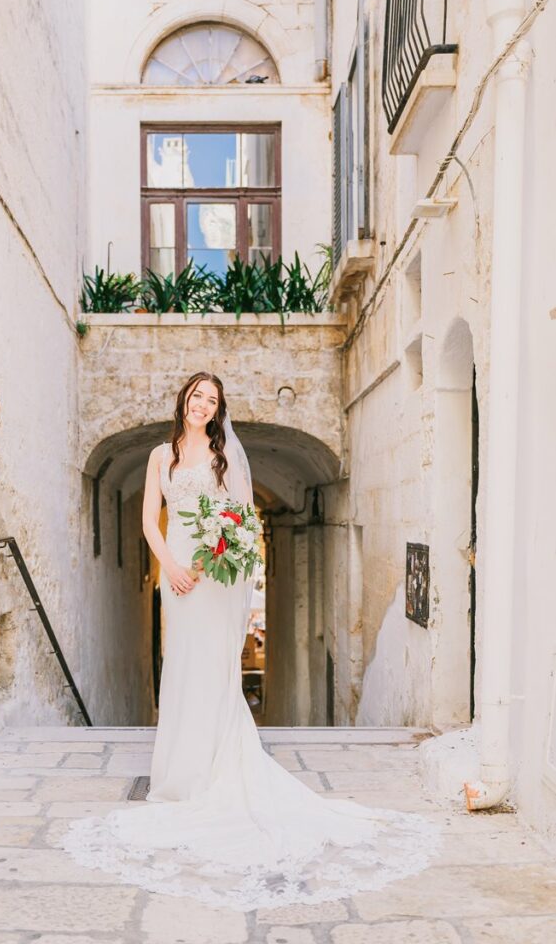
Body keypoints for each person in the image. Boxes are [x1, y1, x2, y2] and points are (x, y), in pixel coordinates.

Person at [63, 372, 441, 911]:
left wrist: (215, 558)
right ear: (183, 401)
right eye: (196, 396)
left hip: (215, 574)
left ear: (219, 411)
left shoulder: (224, 458)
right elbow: (150, 519)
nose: (202, 405)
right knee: (182, 664)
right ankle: (181, 773)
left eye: (211, 401)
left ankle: (218, 765)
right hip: (176, 573)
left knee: (214, 668)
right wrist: (170, 567)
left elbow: (241, 519)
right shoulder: (157, 456)